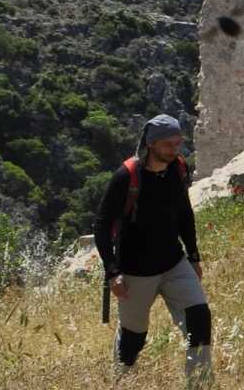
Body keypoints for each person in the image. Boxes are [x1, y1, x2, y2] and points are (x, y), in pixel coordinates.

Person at [95, 114, 214, 387]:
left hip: (174, 263)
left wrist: (193, 256)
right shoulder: (126, 176)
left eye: (178, 143)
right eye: (168, 144)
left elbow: (184, 213)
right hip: (136, 272)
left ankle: (199, 384)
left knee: (199, 318)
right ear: (151, 144)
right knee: (134, 338)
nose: (175, 149)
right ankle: (121, 381)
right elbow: (102, 224)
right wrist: (112, 272)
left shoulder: (178, 168)